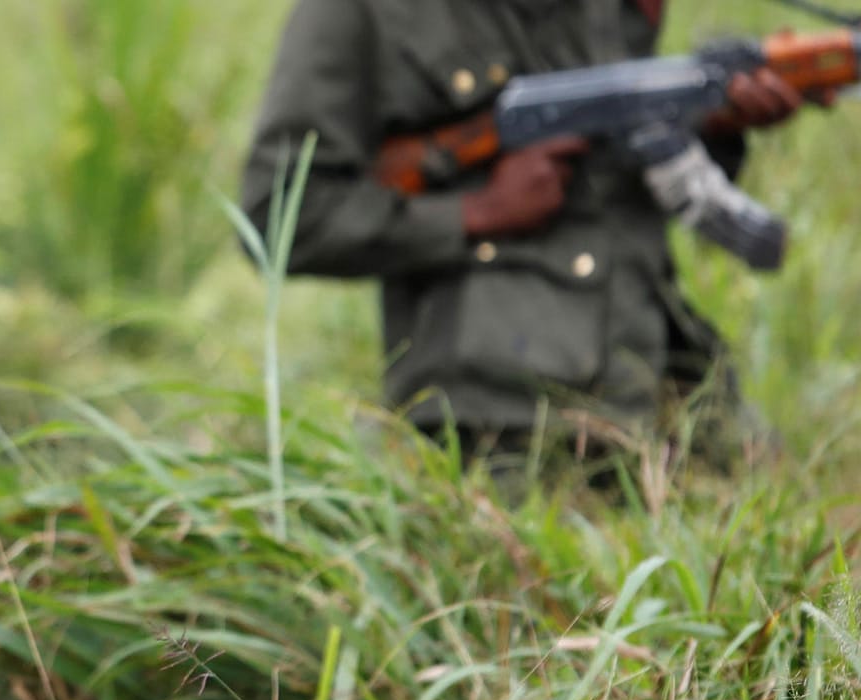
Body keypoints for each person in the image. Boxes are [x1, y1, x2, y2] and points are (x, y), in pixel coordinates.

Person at [240, 0, 820, 474]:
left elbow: (610, 175)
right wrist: (476, 212)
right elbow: (279, 212)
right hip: (495, 428)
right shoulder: (358, 13)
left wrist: (706, 125)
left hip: (663, 384)